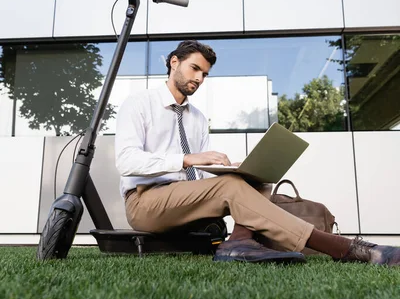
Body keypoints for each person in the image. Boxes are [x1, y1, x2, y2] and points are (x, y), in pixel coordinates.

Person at [115, 40, 400, 266]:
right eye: (194, 69)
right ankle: (345, 248)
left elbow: (197, 179)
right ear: (174, 63)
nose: (199, 79)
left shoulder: (197, 118)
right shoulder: (139, 104)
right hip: (145, 203)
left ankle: (238, 243)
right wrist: (186, 159)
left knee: (255, 179)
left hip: (185, 203)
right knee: (229, 187)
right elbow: (126, 161)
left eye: (204, 74)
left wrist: (231, 171)